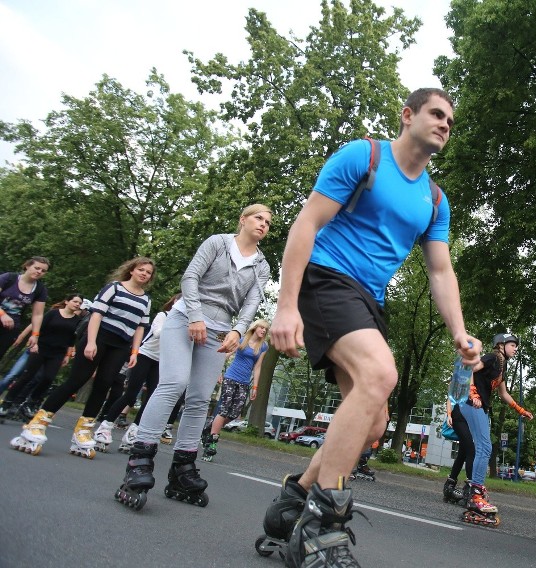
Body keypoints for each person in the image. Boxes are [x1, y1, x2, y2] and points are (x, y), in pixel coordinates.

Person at [258, 88, 481, 567]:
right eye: (436, 114)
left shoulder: (435, 199)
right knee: (380, 375)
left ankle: (293, 501)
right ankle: (322, 526)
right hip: (326, 277)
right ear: (408, 115)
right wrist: (286, 306)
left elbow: (441, 272)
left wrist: (460, 333)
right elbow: (306, 224)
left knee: (375, 421)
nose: (444, 124)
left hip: (368, 300)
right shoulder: (366, 155)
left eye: (450, 120)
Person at [115, 204, 271, 511]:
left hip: (220, 329)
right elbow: (190, 278)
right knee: (174, 383)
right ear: (242, 219)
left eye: (268, 222)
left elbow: (252, 303)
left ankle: (183, 466)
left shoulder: (262, 265)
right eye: (258, 218)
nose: (263, 224)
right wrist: (195, 316)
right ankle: (140, 458)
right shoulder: (217, 242)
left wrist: (238, 331)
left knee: (200, 397)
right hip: (185, 317)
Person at [12, 258, 154, 457]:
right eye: (141, 269)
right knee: (76, 381)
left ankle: (83, 431)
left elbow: (141, 327)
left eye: (148, 272)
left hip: (121, 346)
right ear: (131, 270)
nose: (144, 274)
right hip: (99, 337)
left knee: (103, 385)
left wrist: (135, 352)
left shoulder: (146, 300)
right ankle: (38, 423)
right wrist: (91, 342)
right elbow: (96, 315)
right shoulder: (114, 288)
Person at [458, 333, 532, 525]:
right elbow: (471, 368)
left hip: (479, 406)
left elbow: (504, 394)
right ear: (501, 344)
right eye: (513, 344)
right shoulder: (492, 357)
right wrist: (473, 392)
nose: (515, 348)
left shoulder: (501, 366)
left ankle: (475, 490)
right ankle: (476, 494)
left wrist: (521, 410)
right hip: (472, 403)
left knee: (483, 448)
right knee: (485, 448)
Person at [93, 293, 181, 451]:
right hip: (145, 355)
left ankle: (134, 431)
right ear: (175, 302)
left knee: (152, 398)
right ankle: (105, 427)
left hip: (162, 362)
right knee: (131, 394)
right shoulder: (163, 315)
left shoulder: (186, 323)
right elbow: (158, 333)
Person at [0, 294, 82, 421]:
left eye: (79, 303)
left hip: (57, 353)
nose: (77, 304)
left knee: (48, 378)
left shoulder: (77, 321)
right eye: (75, 301)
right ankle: (7, 403)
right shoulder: (53, 314)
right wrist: (35, 343)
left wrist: (67, 355)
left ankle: (31, 402)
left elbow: (72, 339)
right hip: (41, 348)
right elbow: (38, 328)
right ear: (67, 301)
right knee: (27, 376)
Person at [202, 318, 269, 461]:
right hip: (231, 378)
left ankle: (210, 427)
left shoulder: (263, 346)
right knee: (224, 409)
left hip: (244, 382)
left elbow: (257, 368)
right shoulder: (242, 340)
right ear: (255, 328)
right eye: (261, 327)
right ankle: (211, 442)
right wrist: (217, 370)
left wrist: (255, 387)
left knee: (235, 413)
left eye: (266, 329)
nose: (263, 330)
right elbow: (225, 355)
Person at [0, 256, 50, 361]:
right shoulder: (8, 278)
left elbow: (38, 314)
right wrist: (2, 314)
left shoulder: (40, 290)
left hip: (10, 328)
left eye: (43, 271)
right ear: (27, 266)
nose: (39, 272)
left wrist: (35, 335)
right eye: (37, 268)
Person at [442, 392, 474, 504]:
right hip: (458, 416)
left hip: (470, 419)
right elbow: (450, 397)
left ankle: (449, 487)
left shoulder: (479, 377)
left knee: (463, 452)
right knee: (471, 450)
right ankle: (471, 490)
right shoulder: (462, 375)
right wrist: (449, 415)